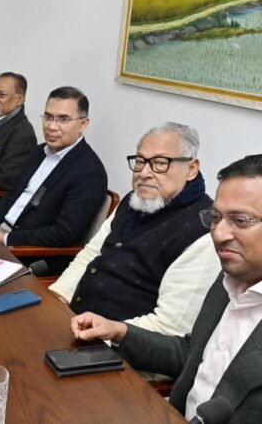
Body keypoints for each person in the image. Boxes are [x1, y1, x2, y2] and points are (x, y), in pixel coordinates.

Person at [71, 154, 262, 422]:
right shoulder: (230, 279)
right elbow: (192, 353)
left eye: (240, 220)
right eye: (216, 217)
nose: (218, 234)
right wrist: (120, 331)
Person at [51, 122, 219, 337]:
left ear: (191, 169)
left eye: (160, 163)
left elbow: (169, 328)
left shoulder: (204, 230)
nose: (144, 173)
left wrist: (105, 333)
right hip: (74, 320)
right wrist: (57, 299)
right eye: (140, 162)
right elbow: (90, 255)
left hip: (119, 346)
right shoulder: (134, 200)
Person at [0, 86, 107, 248]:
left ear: (83, 124)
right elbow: (12, 194)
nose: (52, 126)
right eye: (48, 117)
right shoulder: (39, 152)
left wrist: (7, 239)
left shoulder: (89, 172)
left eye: (63, 119)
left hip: (26, 251)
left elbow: (64, 233)